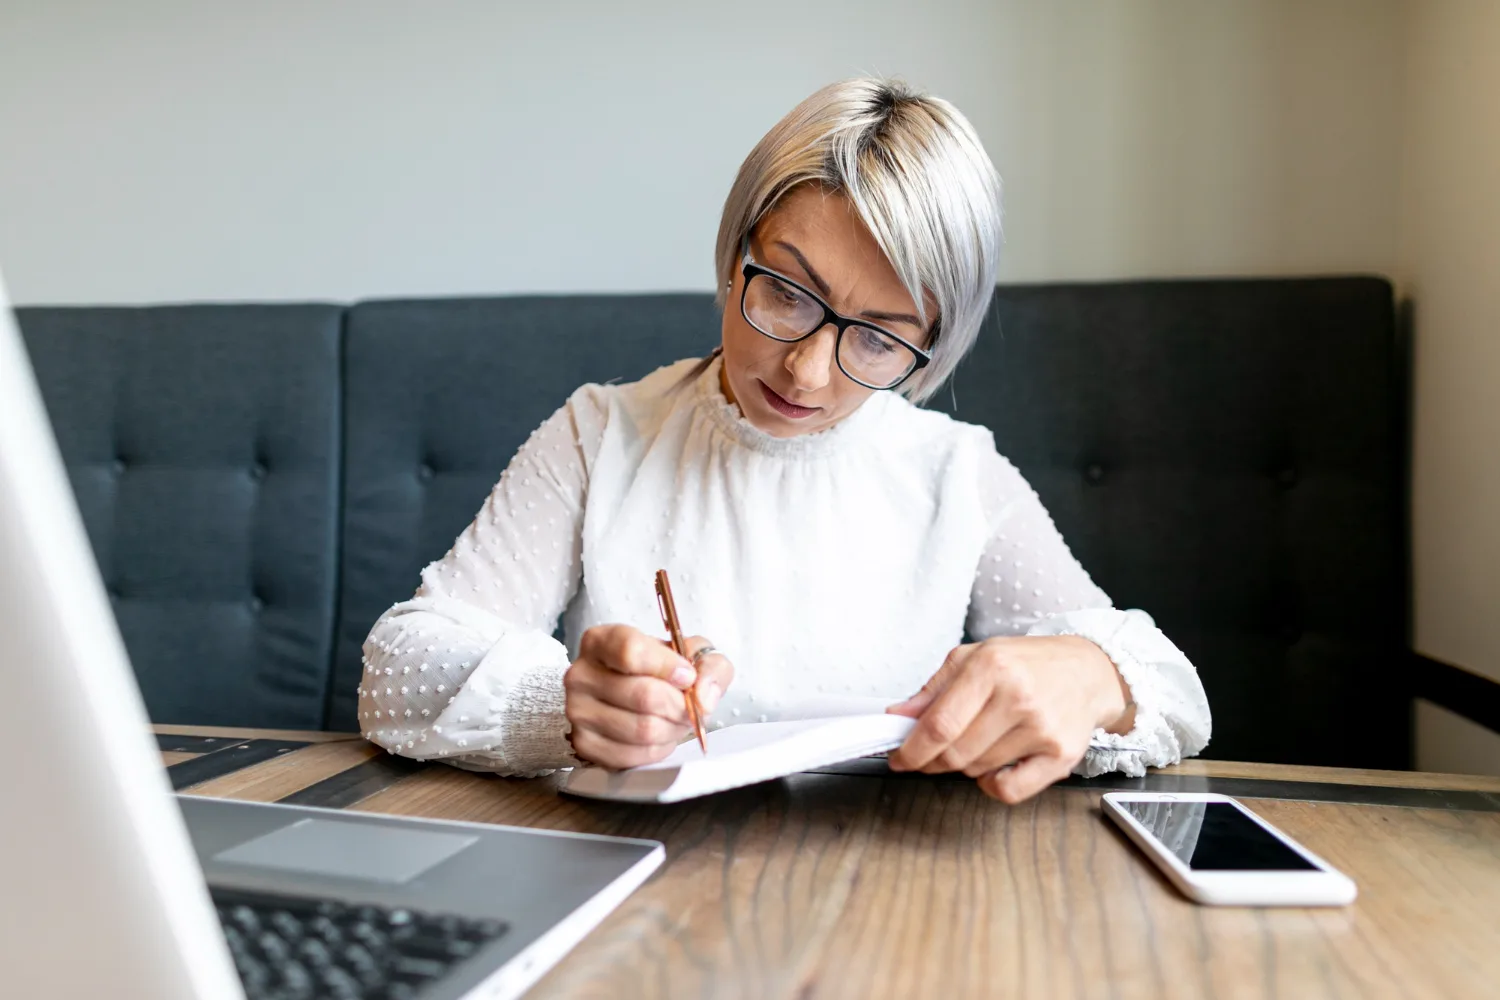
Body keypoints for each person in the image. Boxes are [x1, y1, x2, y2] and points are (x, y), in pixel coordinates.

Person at [358, 77, 1211, 803]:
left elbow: (1176, 695)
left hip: (889, 904)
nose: (806, 371)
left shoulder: (956, 474)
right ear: (734, 256)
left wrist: (1092, 679)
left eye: (879, 338)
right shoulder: (602, 435)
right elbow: (399, 668)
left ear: (932, 345)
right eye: (788, 293)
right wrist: (562, 705)